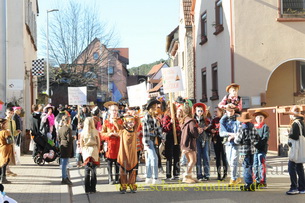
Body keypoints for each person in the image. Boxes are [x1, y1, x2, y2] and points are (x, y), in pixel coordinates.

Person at [234, 112, 260, 191]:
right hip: (252, 150)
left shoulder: (242, 128)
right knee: (251, 166)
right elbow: (257, 138)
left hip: (244, 150)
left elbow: (237, 140)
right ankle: (252, 182)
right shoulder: (253, 127)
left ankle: (249, 184)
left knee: (246, 167)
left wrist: (235, 139)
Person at [100, 101, 122, 184]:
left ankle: (117, 178)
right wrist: (110, 134)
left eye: (116, 110)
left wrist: (118, 133)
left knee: (117, 162)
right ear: (109, 111)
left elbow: (123, 131)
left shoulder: (120, 121)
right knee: (109, 162)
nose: (115, 112)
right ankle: (110, 178)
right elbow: (102, 134)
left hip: (118, 144)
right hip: (109, 144)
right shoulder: (106, 122)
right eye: (113, 110)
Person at [142, 99, 163, 185]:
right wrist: (146, 143)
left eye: (156, 107)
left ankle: (149, 177)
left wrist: (159, 133)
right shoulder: (147, 117)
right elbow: (146, 130)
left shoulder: (153, 117)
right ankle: (155, 177)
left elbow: (156, 129)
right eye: (154, 107)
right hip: (149, 139)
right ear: (150, 108)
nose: (155, 108)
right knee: (154, 158)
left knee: (151, 159)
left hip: (152, 139)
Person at [117, 115, 140, 194]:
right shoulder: (122, 131)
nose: (131, 124)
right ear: (125, 123)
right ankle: (123, 186)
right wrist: (121, 118)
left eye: (132, 122)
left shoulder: (135, 130)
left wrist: (133, 115)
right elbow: (116, 122)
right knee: (123, 171)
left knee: (133, 171)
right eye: (129, 122)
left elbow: (138, 120)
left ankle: (132, 185)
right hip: (124, 154)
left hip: (132, 155)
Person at [219, 106, 241, 187]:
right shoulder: (223, 120)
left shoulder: (238, 119)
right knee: (229, 161)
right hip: (227, 143)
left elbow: (241, 131)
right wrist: (231, 134)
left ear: (234, 111)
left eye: (232, 111)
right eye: (228, 111)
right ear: (226, 112)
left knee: (234, 161)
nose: (230, 112)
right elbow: (221, 133)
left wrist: (235, 136)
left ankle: (233, 178)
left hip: (236, 143)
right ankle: (237, 177)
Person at [286, 105, 305, 195]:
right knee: (300, 168)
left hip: (295, 149)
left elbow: (295, 136)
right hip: (301, 149)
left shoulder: (295, 123)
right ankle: (302, 187)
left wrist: (288, 134)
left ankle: (294, 187)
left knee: (291, 167)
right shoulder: (302, 123)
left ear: (293, 115)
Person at [161, 102, 181, 180]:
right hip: (169, 137)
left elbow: (178, 127)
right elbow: (164, 128)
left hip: (177, 137)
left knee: (177, 155)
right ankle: (168, 174)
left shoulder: (176, 117)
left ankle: (176, 173)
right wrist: (170, 123)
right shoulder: (166, 117)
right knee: (169, 156)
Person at [80, 117, 101, 194]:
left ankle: (87, 189)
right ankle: (93, 188)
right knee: (93, 171)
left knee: (86, 170)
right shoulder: (95, 131)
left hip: (86, 150)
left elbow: (81, 143)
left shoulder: (82, 132)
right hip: (94, 150)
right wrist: (97, 150)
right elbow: (98, 142)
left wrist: (83, 151)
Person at [180, 105, 199, 183]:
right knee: (193, 160)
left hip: (184, 143)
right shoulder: (191, 121)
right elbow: (193, 131)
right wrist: (198, 131)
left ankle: (190, 176)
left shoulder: (184, 120)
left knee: (190, 161)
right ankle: (186, 176)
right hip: (189, 143)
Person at [193, 103, 210, 181]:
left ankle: (207, 174)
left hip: (205, 139)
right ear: (195, 111)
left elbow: (210, 128)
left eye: (201, 111)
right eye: (198, 111)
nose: (200, 112)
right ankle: (199, 175)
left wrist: (207, 128)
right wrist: (197, 130)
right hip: (197, 140)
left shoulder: (206, 119)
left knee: (206, 157)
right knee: (198, 157)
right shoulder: (193, 120)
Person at [252, 110, 270, 188]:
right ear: (255, 118)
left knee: (261, 165)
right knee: (255, 165)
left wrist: (257, 144)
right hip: (254, 149)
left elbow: (265, 138)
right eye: (258, 117)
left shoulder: (265, 127)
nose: (259, 119)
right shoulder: (253, 127)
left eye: (261, 117)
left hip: (261, 149)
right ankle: (256, 180)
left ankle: (263, 181)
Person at [211, 107, 228, 181]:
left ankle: (225, 173)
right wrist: (211, 130)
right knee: (217, 158)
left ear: (221, 112)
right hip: (216, 139)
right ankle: (218, 174)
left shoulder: (225, 119)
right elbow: (210, 127)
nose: (215, 113)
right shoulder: (214, 120)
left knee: (224, 157)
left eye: (216, 111)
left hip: (223, 140)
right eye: (214, 112)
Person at [58, 115, 74, 186]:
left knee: (63, 162)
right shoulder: (68, 129)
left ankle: (65, 176)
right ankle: (64, 177)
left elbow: (58, 138)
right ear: (68, 121)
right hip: (67, 147)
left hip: (62, 145)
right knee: (64, 163)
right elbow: (69, 139)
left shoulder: (60, 129)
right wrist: (73, 138)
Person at [5, 108, 18, 176]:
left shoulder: (13, 121)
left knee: (10, 156)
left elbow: (13, 132)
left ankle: (7, 169)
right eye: (9, 112)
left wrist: (17, 132)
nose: (10, 114)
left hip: (11, 140)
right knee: (5, 156)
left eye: (12, 113)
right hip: (5, 141)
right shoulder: (4, 121)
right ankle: (6, 170)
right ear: (6, 113)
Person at [0, 119, 13, 184]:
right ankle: (3, 178)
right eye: (6, 123)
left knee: (1, 163)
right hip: (6, 148)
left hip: (1, 148)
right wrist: (9, 134)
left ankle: (1, 177)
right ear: (3, 124)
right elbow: (9, 141)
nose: (7, 125)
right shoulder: (5, 132)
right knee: (4, 163)